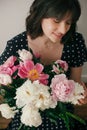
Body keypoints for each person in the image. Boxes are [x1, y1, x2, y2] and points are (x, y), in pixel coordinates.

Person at [0, 0, 87, 129]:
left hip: (60, 111)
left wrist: (80, 94)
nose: (63, 29)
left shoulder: (75, 42)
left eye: (68, 22)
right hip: (28, 113)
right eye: (57, 20)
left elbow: (75, 81)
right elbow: (4, 83)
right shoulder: (16, 45)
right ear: (40, 14)